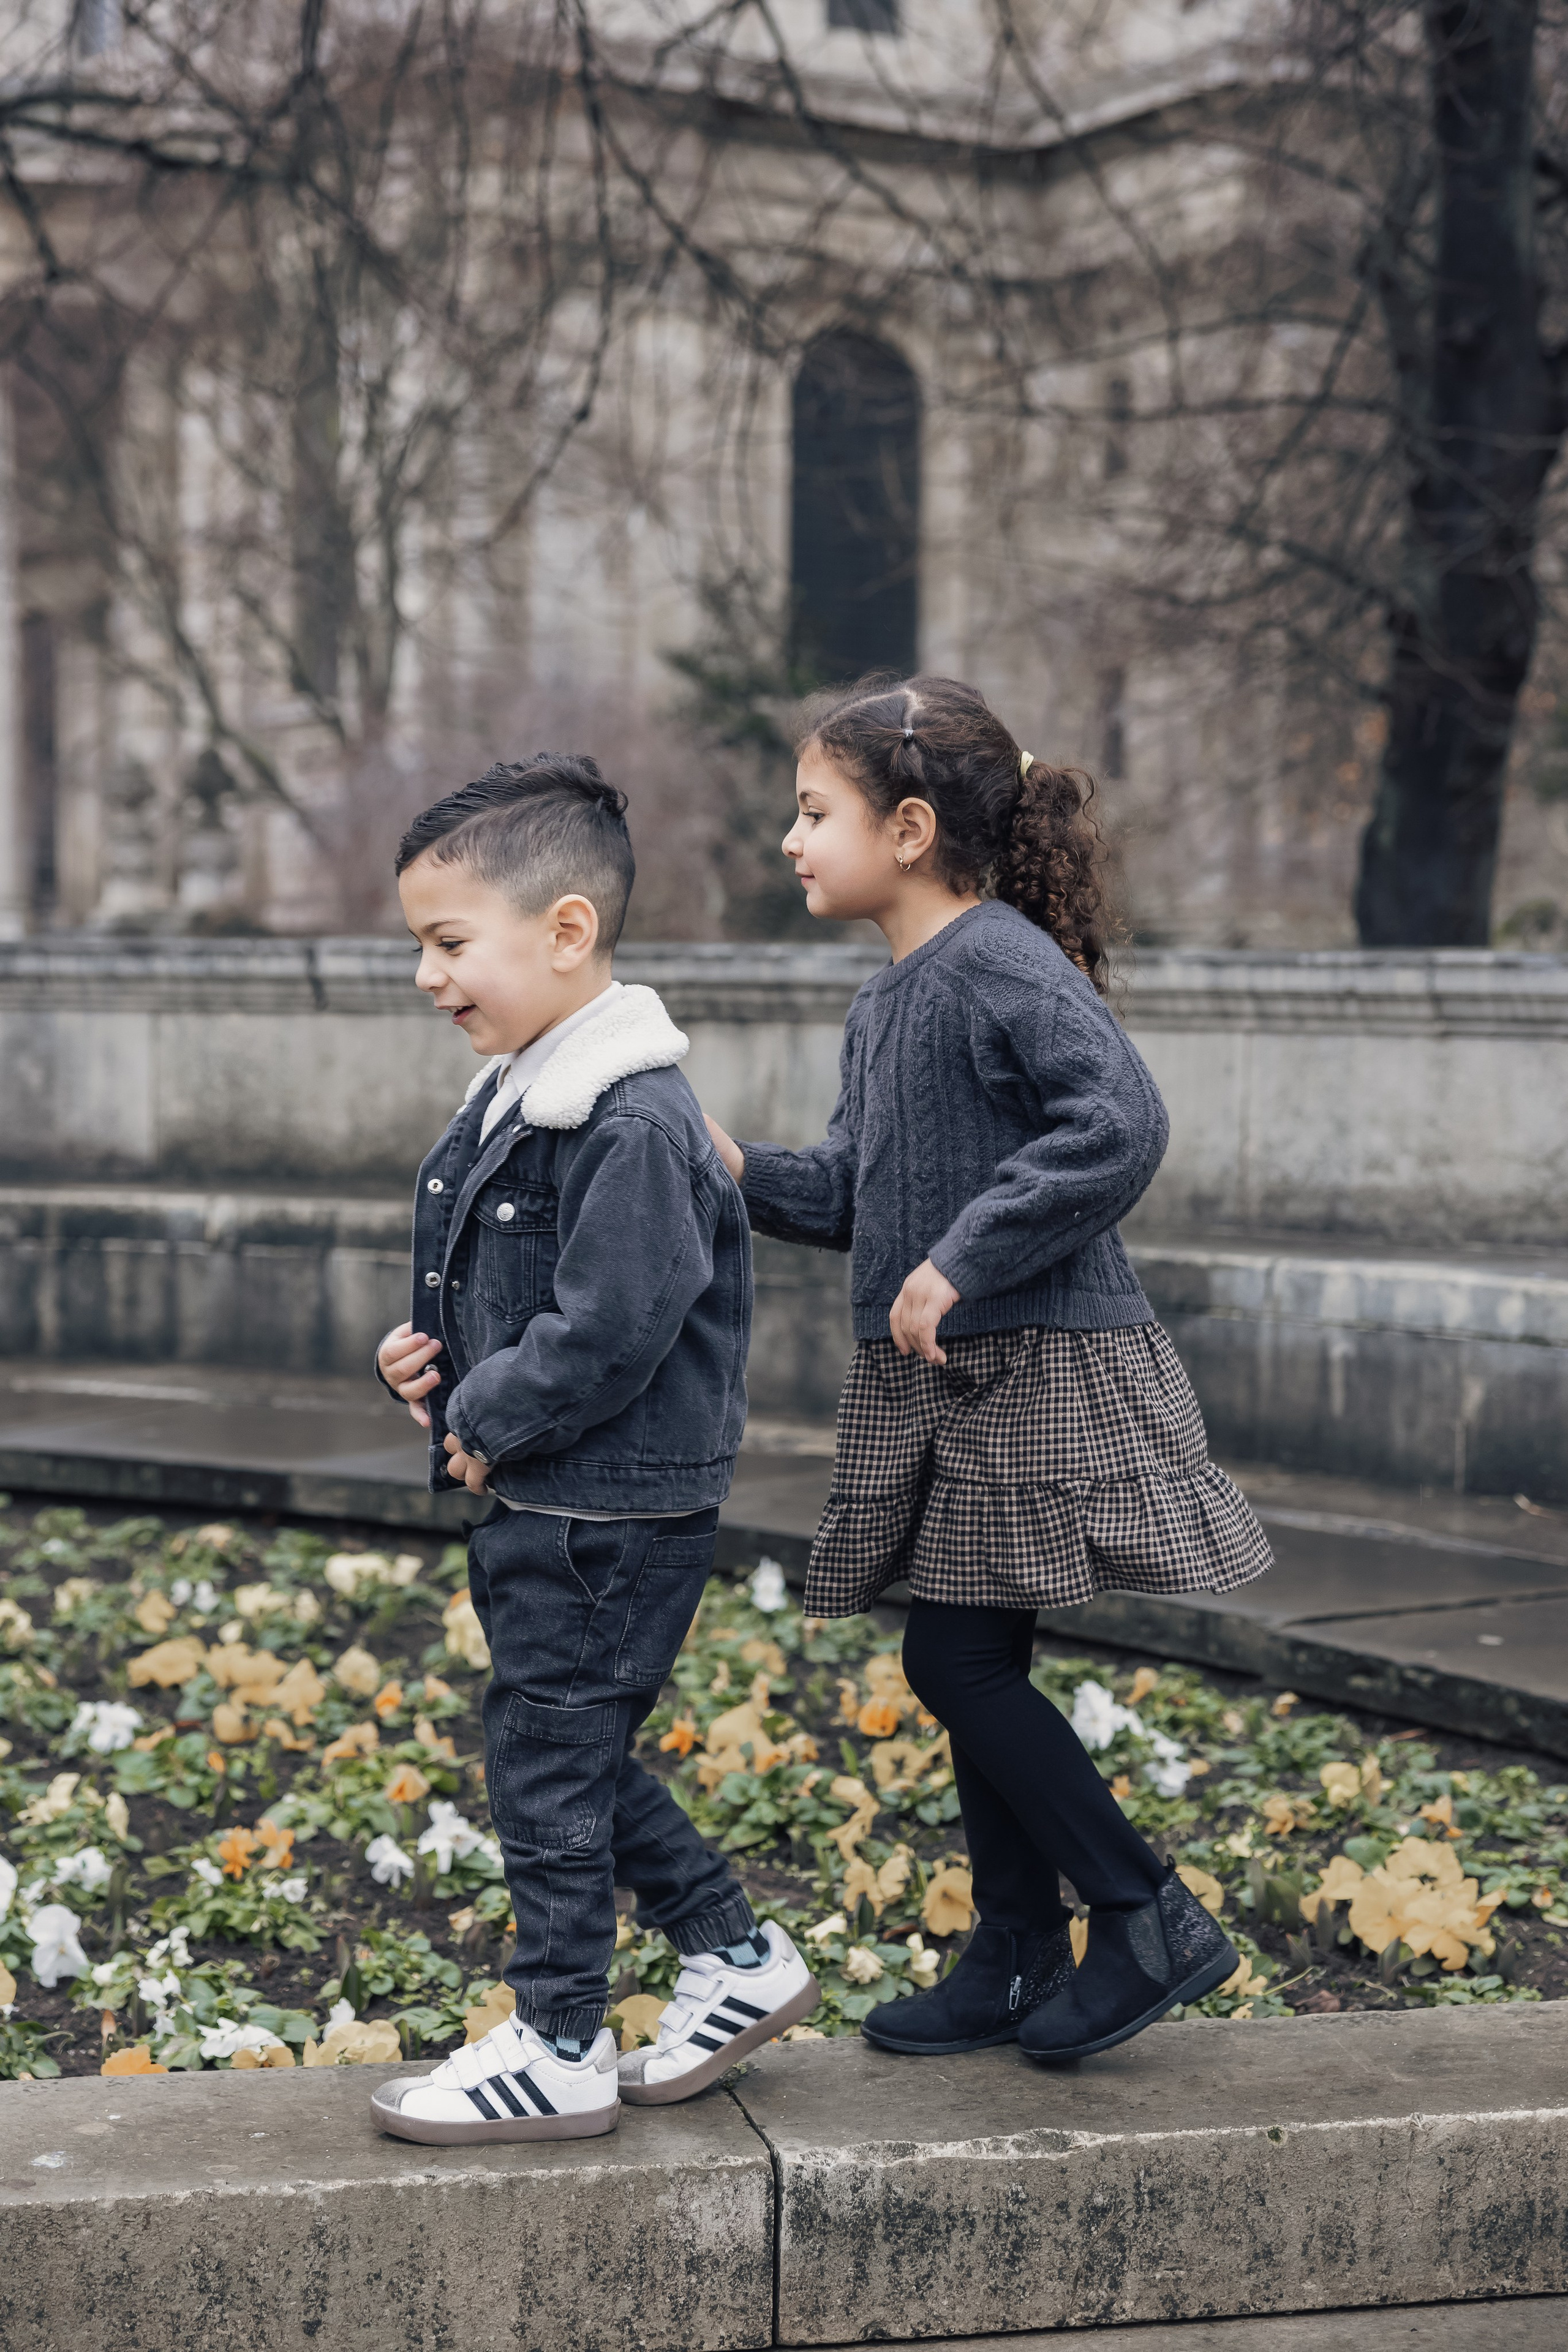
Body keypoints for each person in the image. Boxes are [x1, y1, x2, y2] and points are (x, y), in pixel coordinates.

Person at [703, 676, 1272, 2066]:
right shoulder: (887, 999)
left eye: (811, 811)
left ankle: (1142, 1912)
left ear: (905, 828)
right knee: (976, 1645)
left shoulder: (999, 957)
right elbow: (851, 1187)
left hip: (1034, 1361)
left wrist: (962, 1260)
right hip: (958, 1377)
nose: (789, 838)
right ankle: (1014, 1950)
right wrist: (723, 1164)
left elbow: (1118, 1119)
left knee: (953, 1654)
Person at [369, 757, 815, 2146]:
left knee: (550, 1759)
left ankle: (560, 2038)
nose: (432, 978)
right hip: (555, 1496)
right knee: (560, 1748)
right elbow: (522, 1294)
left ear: (565, 932)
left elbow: (615, 1324)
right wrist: (430, 1362)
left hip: (601, 1508)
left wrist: (492, 1414)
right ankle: (735, 1958)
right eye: (421, 949)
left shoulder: (628, 1113)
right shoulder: (532, 1084)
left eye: (451, 945)